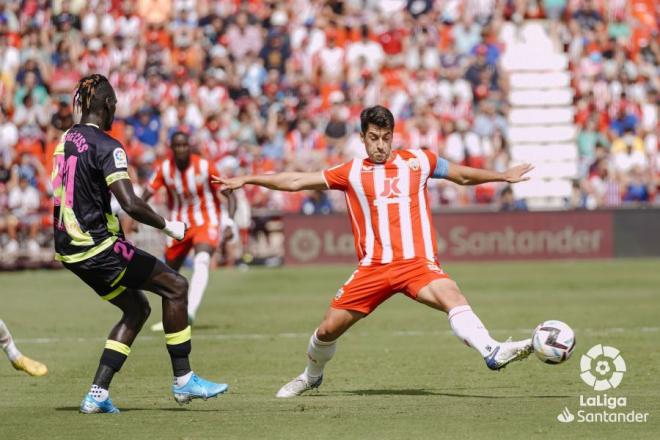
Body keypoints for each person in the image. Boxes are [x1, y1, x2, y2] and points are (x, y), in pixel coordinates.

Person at [215, 105, 535, 398]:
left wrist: (502, 176)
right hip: (374, 269)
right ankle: (311, 376)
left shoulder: (419, 161)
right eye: (373, 138)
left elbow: (462, 175)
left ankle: (491, 350)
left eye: (385, 138)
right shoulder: (351, 172)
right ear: (363, 138)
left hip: (417, 265)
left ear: (393, 137)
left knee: (452, 295)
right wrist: (248, 179)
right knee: (327, 330)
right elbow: (297, 180)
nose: (380, 145)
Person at [52, 74, 227, 414]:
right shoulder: (108, 145)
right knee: (176, 286)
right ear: (108, 105)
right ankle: (184, 380)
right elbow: (130, 203)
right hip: (97, 246)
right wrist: (170, 227)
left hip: (69, 251)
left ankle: (97, 395)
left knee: (137, 308)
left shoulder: (65, 141)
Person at [141, 131, 236, 331]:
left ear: (189, 147)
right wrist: (136, 215)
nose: (182, 149)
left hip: (206, 220)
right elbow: (145, 196)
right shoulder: (164, 169)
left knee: (202, 260)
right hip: (178, 226)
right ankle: (171, 318)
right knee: (169, 274)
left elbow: (229, 193)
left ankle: (190, 312)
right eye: (178, 145)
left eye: (185, 145)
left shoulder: (204, 166)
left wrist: (228, 222)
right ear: (172, 148)